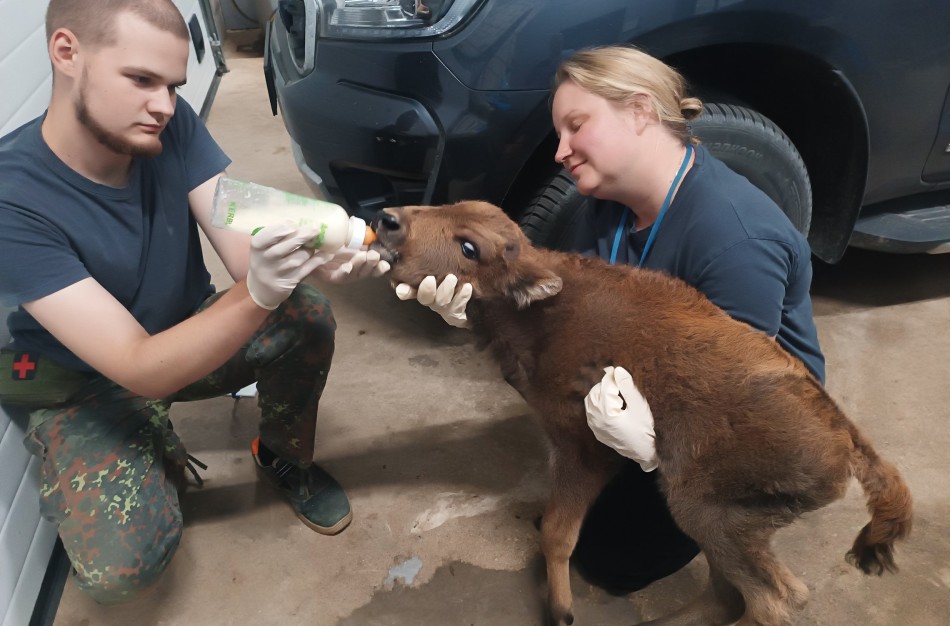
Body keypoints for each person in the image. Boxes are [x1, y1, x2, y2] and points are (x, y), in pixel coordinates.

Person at [0, 0, 388, 605]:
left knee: (304, 313)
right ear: (66, 53)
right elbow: (136, 365)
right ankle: (137, 440)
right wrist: (260, 289)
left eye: (174, 86)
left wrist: (319, 251)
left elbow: (240, 241)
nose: (162, 104)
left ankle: (282, 457)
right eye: (141, 80)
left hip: (180, 330)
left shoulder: (165, 124)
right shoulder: (12, 201)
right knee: (119, 570)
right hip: (87, 384)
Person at [399, 44, 825, 594]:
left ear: (640, 111)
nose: (561, 151)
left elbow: (734, 402)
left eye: (577, 126)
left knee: (612, 561)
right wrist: (479, 308)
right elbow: (563, 313)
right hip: (640, 380)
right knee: (572, 511)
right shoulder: (607, 203)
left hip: (745, 422)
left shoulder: (736, 239)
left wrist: (649, 447)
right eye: (560, 134)